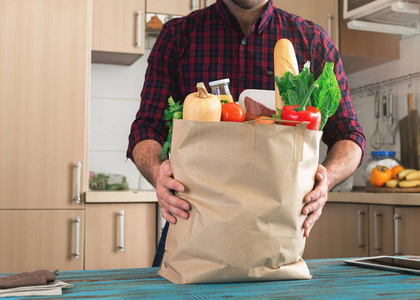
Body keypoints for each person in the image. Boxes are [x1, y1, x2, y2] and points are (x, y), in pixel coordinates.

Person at [127, 0, 365, 267]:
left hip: (277, 236)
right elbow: (146, 127)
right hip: (193, 229)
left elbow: (349, 135)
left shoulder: (312, 40)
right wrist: (159, 173)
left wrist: (326, 180)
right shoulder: (178, 35)